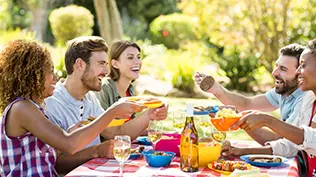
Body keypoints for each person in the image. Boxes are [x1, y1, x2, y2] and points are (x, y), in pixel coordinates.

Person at [0, 40, 145, 176]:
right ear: (33, 75)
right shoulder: (22, 108)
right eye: (50, 71)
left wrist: (70, 132)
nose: (55, 78)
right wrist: (113, 111)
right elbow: (69, 144)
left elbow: (53, 153)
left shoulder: (32, 107)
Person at [44, 36, 168, 174]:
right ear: (80, 64)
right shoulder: (51, 104)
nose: (107, 71)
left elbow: (116, 133)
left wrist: (148, 116)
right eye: (101, 64)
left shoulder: (90, 98)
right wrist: (96, 151)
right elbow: (55, 164)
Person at [194, 43, 307, 157]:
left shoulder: (305, 100)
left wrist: (239, 120)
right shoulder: (285, 91)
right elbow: (247, 103)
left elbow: (283, 142)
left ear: (300, 74)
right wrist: (216, 89)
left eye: (283, 69)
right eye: (276, 66)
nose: (274, 73)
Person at [232, 38, 316, 177]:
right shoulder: (310, 100)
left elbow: (312, 139)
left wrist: (267, 120)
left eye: (303, 65)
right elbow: (292, 145)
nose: (298, 71)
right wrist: (241, 151)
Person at [95, 40, 141, 114]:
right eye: (130, 58)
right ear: (115, 64)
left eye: (138, 57)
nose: (137, 62)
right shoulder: (104, 87)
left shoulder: (130, 89)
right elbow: (102, 124)